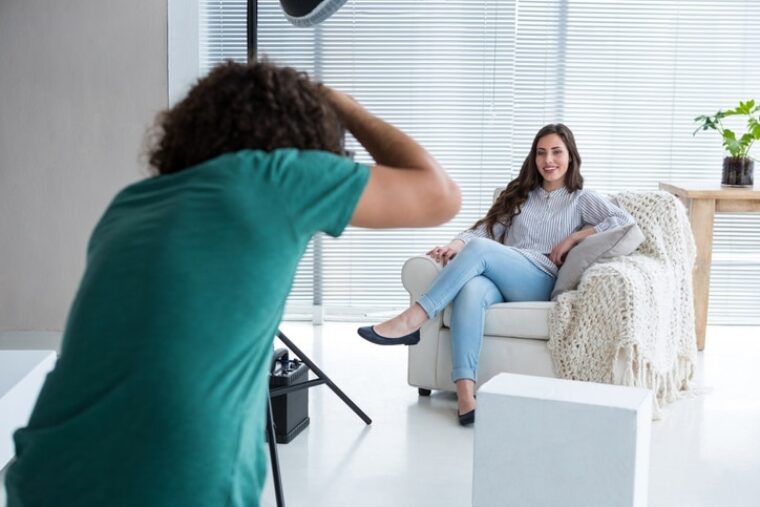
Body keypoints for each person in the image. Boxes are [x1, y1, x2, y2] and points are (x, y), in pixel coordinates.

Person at [5, 60, 460, 507]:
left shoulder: (132, 204)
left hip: (45, 470)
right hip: (174, 480)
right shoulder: (279, 177)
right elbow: (440, 196)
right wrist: (344, 107)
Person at [358, 123, 634, 426]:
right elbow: (485, 230)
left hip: (540, 277)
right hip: (506, 273)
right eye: (541, 153)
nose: (548, 160)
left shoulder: (581, 198)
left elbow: (623, 221)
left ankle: (414, 318)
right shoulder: (520, 195)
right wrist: (455, 243)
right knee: (471, 289)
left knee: (478, 250)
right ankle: (466, 396)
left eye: (556, 152)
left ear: (570, 156)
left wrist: (576, 236)